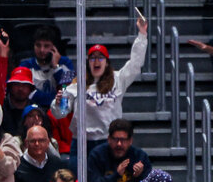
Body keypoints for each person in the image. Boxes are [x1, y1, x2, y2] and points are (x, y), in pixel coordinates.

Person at [57, 16, 148, 147]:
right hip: (82, 142)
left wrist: (142, 34)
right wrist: (58, 103)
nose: (96, 61)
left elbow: (135, 64)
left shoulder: (118, 79)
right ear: (88, 63)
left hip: (109, 142)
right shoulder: (78, 83)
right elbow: (61, 113)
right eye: (92, 58)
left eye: (100, 58)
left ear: (106, 63)